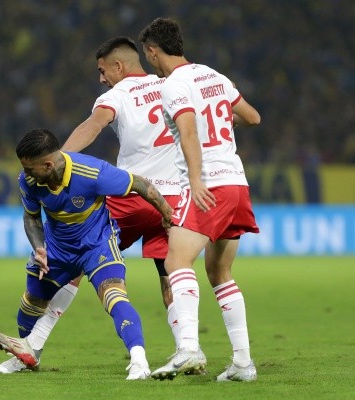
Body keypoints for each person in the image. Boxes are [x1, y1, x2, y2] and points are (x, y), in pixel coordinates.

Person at [0, 36, 189, 374]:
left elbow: (94, 124)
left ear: (118, 67)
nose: (101, 78)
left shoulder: (116, 97)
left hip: (131, 196)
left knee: (88, 259)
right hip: (172, 196)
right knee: (171, 274)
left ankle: (34, 344)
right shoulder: (172, 85)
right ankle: (188, 347)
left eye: (102, 70)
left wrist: (63, 158)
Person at [0, 128, 173, 380]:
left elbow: (140, 184)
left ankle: (139, 361)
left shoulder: (93, 172)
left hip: (97, 244)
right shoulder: (28, 180)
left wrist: (167, 214)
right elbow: (31, 217)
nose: (26, 173)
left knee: (114, 296)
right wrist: (39, 248)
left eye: (30, 168)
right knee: (31, 302)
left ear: (48, 164)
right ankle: (28, 355)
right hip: (57, 248)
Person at [138, 17, 261, 382]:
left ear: (152, 51)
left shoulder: (174, 84)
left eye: (147, 55)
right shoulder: (215, 76)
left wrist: (195, 180)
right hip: (237, 183)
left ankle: (189, 348)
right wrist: (222, 123)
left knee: (175, 261)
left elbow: (189, 131)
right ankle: (243, 364)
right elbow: (252, 117)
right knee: (219, 272)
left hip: (209, 185)